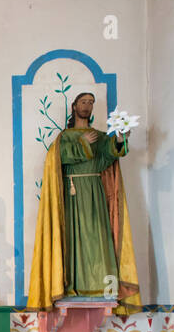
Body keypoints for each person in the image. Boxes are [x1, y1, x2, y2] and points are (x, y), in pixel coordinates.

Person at [27, 92, 140, 315]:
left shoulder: (99, 135)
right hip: (71, 195)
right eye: (83, 102)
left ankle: (102, 288)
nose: (87, 106)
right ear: (74, 106)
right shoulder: (64, 137)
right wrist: (81, 143)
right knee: (72, 240)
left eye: (90, 103)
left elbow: (108, 156)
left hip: (94, 193)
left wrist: (118, 139)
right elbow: (57, 158)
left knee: (98, 238)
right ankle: (70, 287)